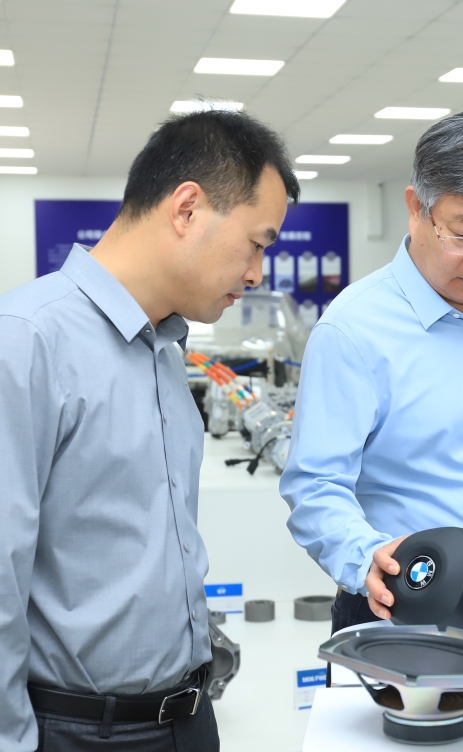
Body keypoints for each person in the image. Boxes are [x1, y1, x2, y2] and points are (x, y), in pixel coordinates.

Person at [0, 110, 298, 751]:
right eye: (257, 244)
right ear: (187, 209)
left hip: (188, 716)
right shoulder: (26, 341)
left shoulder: (165, 348)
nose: (257, 274)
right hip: (81, 731)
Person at [281, 107, 463, 638]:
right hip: (404, 612)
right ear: (416, 209)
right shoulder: (353, 330)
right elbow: (315, 485)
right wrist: (363, 555)